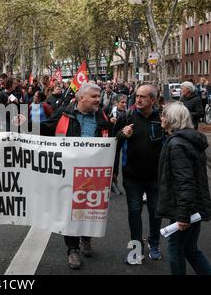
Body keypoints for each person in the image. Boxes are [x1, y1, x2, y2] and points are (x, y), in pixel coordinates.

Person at [39, 83, 113, 270]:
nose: (98, 99)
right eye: (94, 96)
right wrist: (21, 126)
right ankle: (72, 249)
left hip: (93, 172)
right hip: (68, 172)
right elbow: (43, 130)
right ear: (81, 98)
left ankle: (86, 239)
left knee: (89, 208)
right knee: (69, 212)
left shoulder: (102, 115)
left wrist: (114, 172)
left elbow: (111, 142)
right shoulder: (64, 114)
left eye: (99, 96)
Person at [157, 101, 211, 275]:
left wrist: (182, 215)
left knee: (176, 250)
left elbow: (185, 182)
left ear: (171, 119)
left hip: (184, 208)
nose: (161, 118)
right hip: (193, 206)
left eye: (164, 115)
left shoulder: (177, 145)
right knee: (190, 249)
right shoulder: (190, 140)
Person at [118, 84, 164, 263]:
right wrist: (122, 134)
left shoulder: (161, 117)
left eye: (143, 97)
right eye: (137, 96)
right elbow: (114, 140)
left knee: (155, 212)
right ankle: (136, 249)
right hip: (132, 177)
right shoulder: (127, 116)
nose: (138, 99)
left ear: (153, 99)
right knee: (134, 211)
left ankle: (154, 243)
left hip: (155, 177)